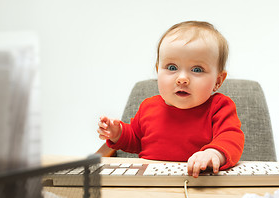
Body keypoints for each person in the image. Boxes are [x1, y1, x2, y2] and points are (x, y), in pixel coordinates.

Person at [98, 21, 244, 178]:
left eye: (197, 69)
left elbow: (232, 138)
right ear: (158, 71)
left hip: (200, 182)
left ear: (218, 81)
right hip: (150, 183)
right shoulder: (148, 107)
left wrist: (214, 153)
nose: (182, 79)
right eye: (172, 67)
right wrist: (118, 133)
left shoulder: (219, 107)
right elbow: (135, 139)